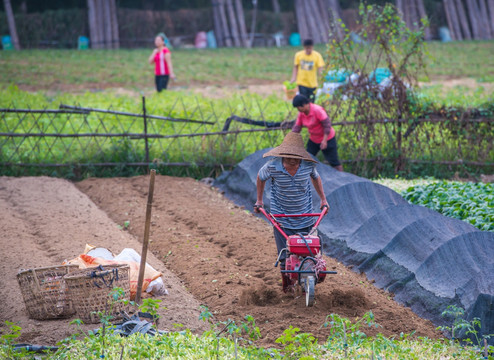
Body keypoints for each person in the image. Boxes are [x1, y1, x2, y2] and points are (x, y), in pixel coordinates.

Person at [254, 132, 328, 270]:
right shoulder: (272, 166)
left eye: (296, 157)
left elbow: (316, 178)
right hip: (282, 218)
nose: (293, 160)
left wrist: (324, 199)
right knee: (285, 258)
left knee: (310, 254)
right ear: (283, 154)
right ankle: (287, 284)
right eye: (289, 157)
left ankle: (308, 280)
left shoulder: (308, 165)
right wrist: (259, 200)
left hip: (305, 216)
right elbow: (260, 177)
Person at [292, 94, 343, 172]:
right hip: (314, 139)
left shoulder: (317, 110)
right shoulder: (301, 114)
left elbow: (327, 125)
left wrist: (324, 140)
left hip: (327, 138)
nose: (298, 109)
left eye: (299, 107)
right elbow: (297, 127)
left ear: (305, 104)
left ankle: (341, 176)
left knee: (334, 162)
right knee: (307, 159)